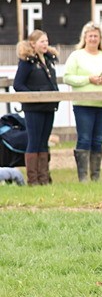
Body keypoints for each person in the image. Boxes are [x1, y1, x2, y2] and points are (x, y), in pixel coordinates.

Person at [63, 21, 102, 182]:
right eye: (91, 36)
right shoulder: (76, 56)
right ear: (85, 37)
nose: (93, 39)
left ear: (100, 38)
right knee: (84, 138)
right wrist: (88, 79)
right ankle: (83, 177)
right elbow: (67, 77)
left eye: (96, 36)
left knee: (98, 140)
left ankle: (96, 176)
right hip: (83, 104)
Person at [12, 29, 60, 186]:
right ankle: (33, 180)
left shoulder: (48, 59)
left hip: (49, 106)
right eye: (42, 41)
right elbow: (18, 84)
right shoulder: (27, 62)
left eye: (46, 41)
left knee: (43, 141)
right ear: (33, 44)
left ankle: (44, 178)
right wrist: (34, 96)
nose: (45, 44)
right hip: (33, 108)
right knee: (34, 141)